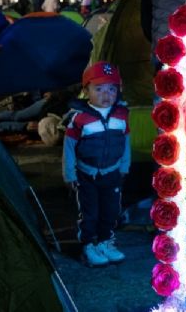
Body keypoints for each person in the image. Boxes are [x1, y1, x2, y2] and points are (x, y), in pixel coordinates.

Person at [63, 61, 131, 267]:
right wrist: (69, 174)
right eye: (99, 89)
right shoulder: (79, 118)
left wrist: (124, 166)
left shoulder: (121, 114)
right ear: (86, 91)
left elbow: (126, 140)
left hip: (112, 173)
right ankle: (88, 245)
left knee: (111, 210)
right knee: (90, 212)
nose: (106, 94)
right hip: (87, 175)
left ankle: (105, 242)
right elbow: (68, 147)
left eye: (112, 89)